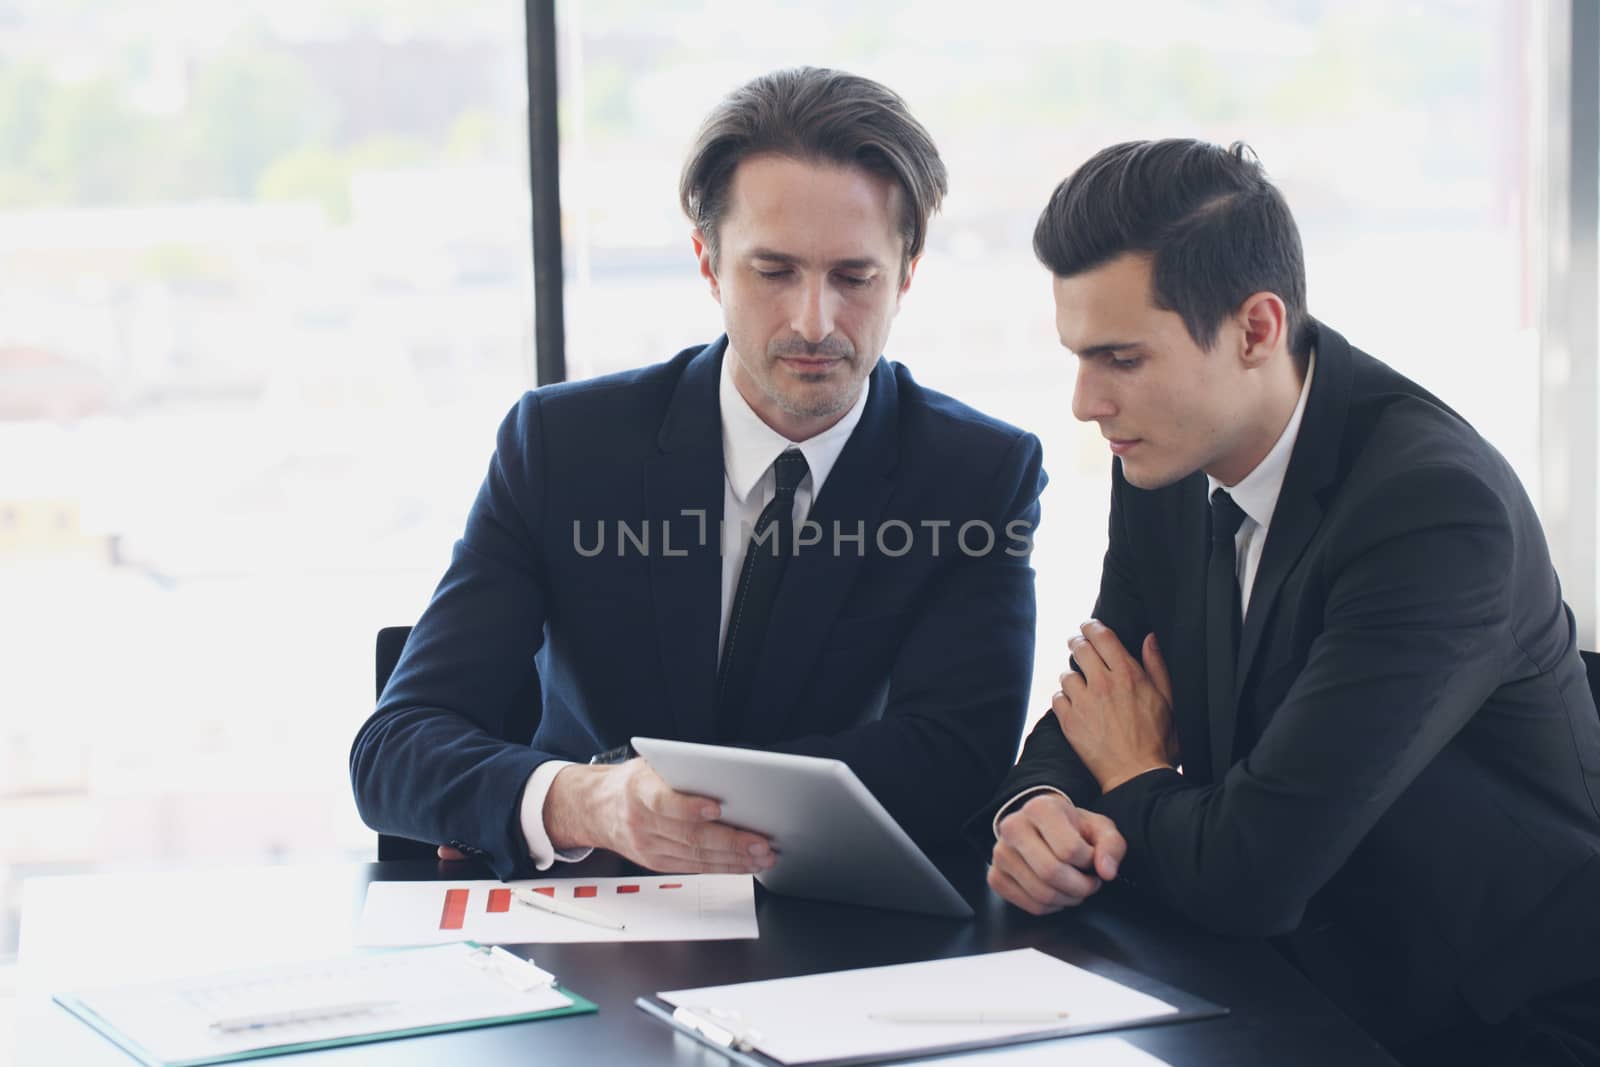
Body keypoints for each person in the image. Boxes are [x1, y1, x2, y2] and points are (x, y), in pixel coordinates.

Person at [974, 139, 1600, 1065]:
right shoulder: (1164, 456)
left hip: (1480, 1024)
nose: (1084, 402)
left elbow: (1250, 875)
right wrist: (1038, 808)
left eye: (1121, 358)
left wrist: (1136, 778)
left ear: (1257, 330)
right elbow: (1102, 693)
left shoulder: (1433, 514)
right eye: (1077, 357)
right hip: (1273, 976)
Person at [351, 67, 1045, 887]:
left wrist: (669, 791)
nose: (814, 321)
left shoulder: (976, 473)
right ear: (709, 264)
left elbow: (954, 760)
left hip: (837, 940)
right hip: (595, 926)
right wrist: (591, 799)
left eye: (854, 277)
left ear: (908, 272)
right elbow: (395, 748)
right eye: (773, 271)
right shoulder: (565, 446)